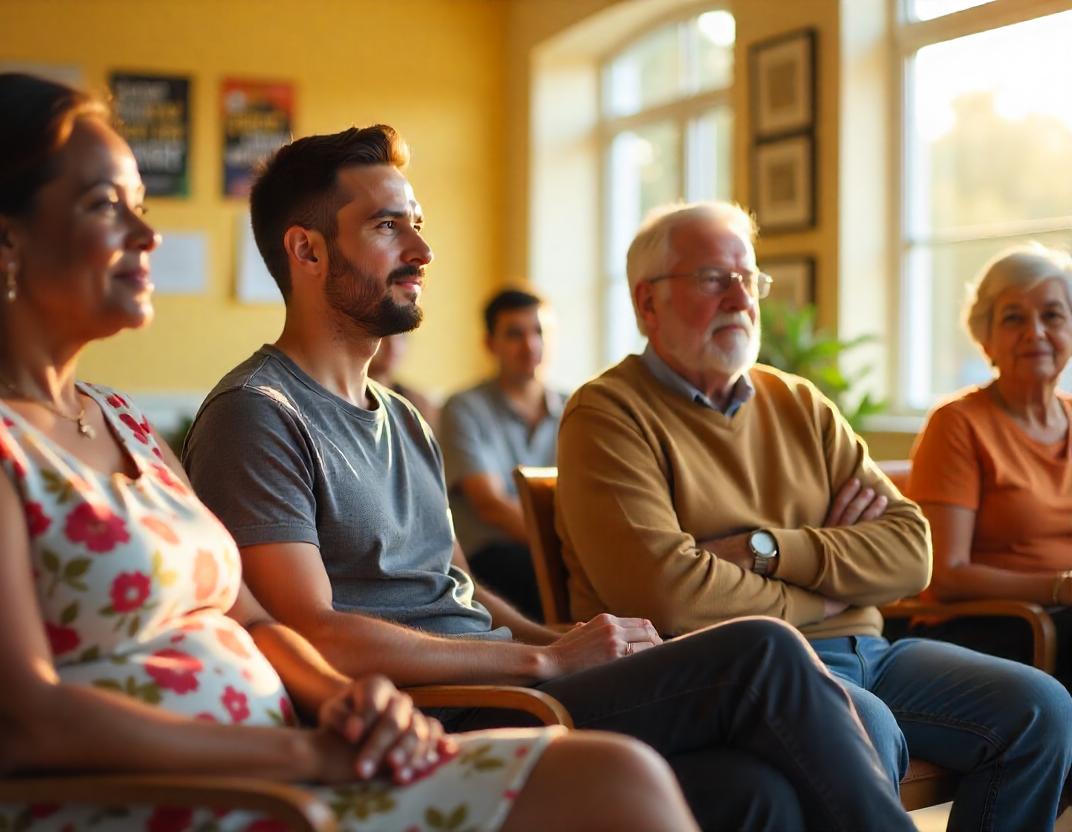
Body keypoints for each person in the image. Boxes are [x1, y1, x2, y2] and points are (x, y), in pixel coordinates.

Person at [0, 74, 699, 832]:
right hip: (132, 799)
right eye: (107, 206)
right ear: (1, 239)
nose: (147, 235)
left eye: (142, 204)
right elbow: (15, 721)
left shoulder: (116, 418)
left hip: (273, 774)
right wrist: (303, 755)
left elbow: (257, 623)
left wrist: (350, 706)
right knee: (624, 777)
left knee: (621, 776)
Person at [183, 123, 920, 832]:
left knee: (758, 795)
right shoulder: (257, 414)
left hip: (502, 685)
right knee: (762, 652)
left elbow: (458, 590)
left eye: (418, 224)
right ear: (307, 251)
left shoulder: (403, 418)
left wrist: (573, 639)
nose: (423, 250)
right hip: (434, 716)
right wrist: (543, 659)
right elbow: (310, 632)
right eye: (387, 227)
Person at [555, 200, 1072, 832]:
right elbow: (670, 595)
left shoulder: (797, 400)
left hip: (870, 650)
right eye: (713, 279)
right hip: (734, 674)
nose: (740, 299)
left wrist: (767, 550)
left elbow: (913, 551)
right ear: (648, 302)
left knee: (1041, 709)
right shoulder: (607, 415)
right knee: (864, 726)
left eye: (749, 279)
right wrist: (828, 593)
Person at [908, 243, 1072, 688]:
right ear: (986, 340)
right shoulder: (957, 423)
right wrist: (1060, 587)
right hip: (986, 625)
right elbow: (946, 575)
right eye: (1014, 318)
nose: (1036, 332)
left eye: (1052, 315)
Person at [439, 288, 564, 618]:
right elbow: (491, 505)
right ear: (489, 343)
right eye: (515, 334)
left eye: (539, 332)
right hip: (490, 558)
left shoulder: (575, 408)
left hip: (560, 551)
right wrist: (566, 550)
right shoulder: (464, 408)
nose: (530, 345)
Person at [366, 332, 440, 431]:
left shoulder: (420, 404)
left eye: (400, 337)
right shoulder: (352, 400)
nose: (393, 346)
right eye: (383, 337)